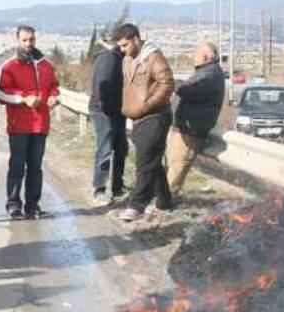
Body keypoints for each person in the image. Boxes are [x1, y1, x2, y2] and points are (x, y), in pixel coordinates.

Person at [0, 25, 59, 219]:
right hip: (19, 125)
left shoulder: (46, 65)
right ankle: (13, 205)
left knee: (35, 166)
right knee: (17, 166)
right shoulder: (9, 66)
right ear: (18, 41)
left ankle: (33, 205)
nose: (28, 43)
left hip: (40, 125)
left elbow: (54, 86)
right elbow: (1, 92)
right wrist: (24, 98)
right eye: (24, 40)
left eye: (31, 39)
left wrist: (54, 98)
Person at [115, 24, 174, 222]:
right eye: (120, 46)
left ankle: (137, 204)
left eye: (125, 45)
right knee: (152, 160)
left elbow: (167, 84)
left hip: (155, 116)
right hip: (137, 118)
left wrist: (148, 104)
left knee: (145, 160)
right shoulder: (127, 60)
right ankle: (165, 200)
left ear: (136, 40)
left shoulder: (153, 57)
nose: (122, 49)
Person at [166, 41, 225, 198]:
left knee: (176, 169)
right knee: (173, 165)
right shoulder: (206, 72)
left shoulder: (210, 75)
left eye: (195, 54)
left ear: (205, 56)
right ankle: (164, 199)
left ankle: (165, 203)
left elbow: (190, 90)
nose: (193, 58)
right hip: (184, 127)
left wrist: (174, 85)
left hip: (191, 130)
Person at [88, 36, 127, 205]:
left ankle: (118, 187)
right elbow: (102, 87)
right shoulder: (109, 58)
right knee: (105, 149)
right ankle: (100, 188)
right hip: (103, 110)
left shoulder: (119, 57)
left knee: (121, 148)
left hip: (117, 109)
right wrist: (109, 110)